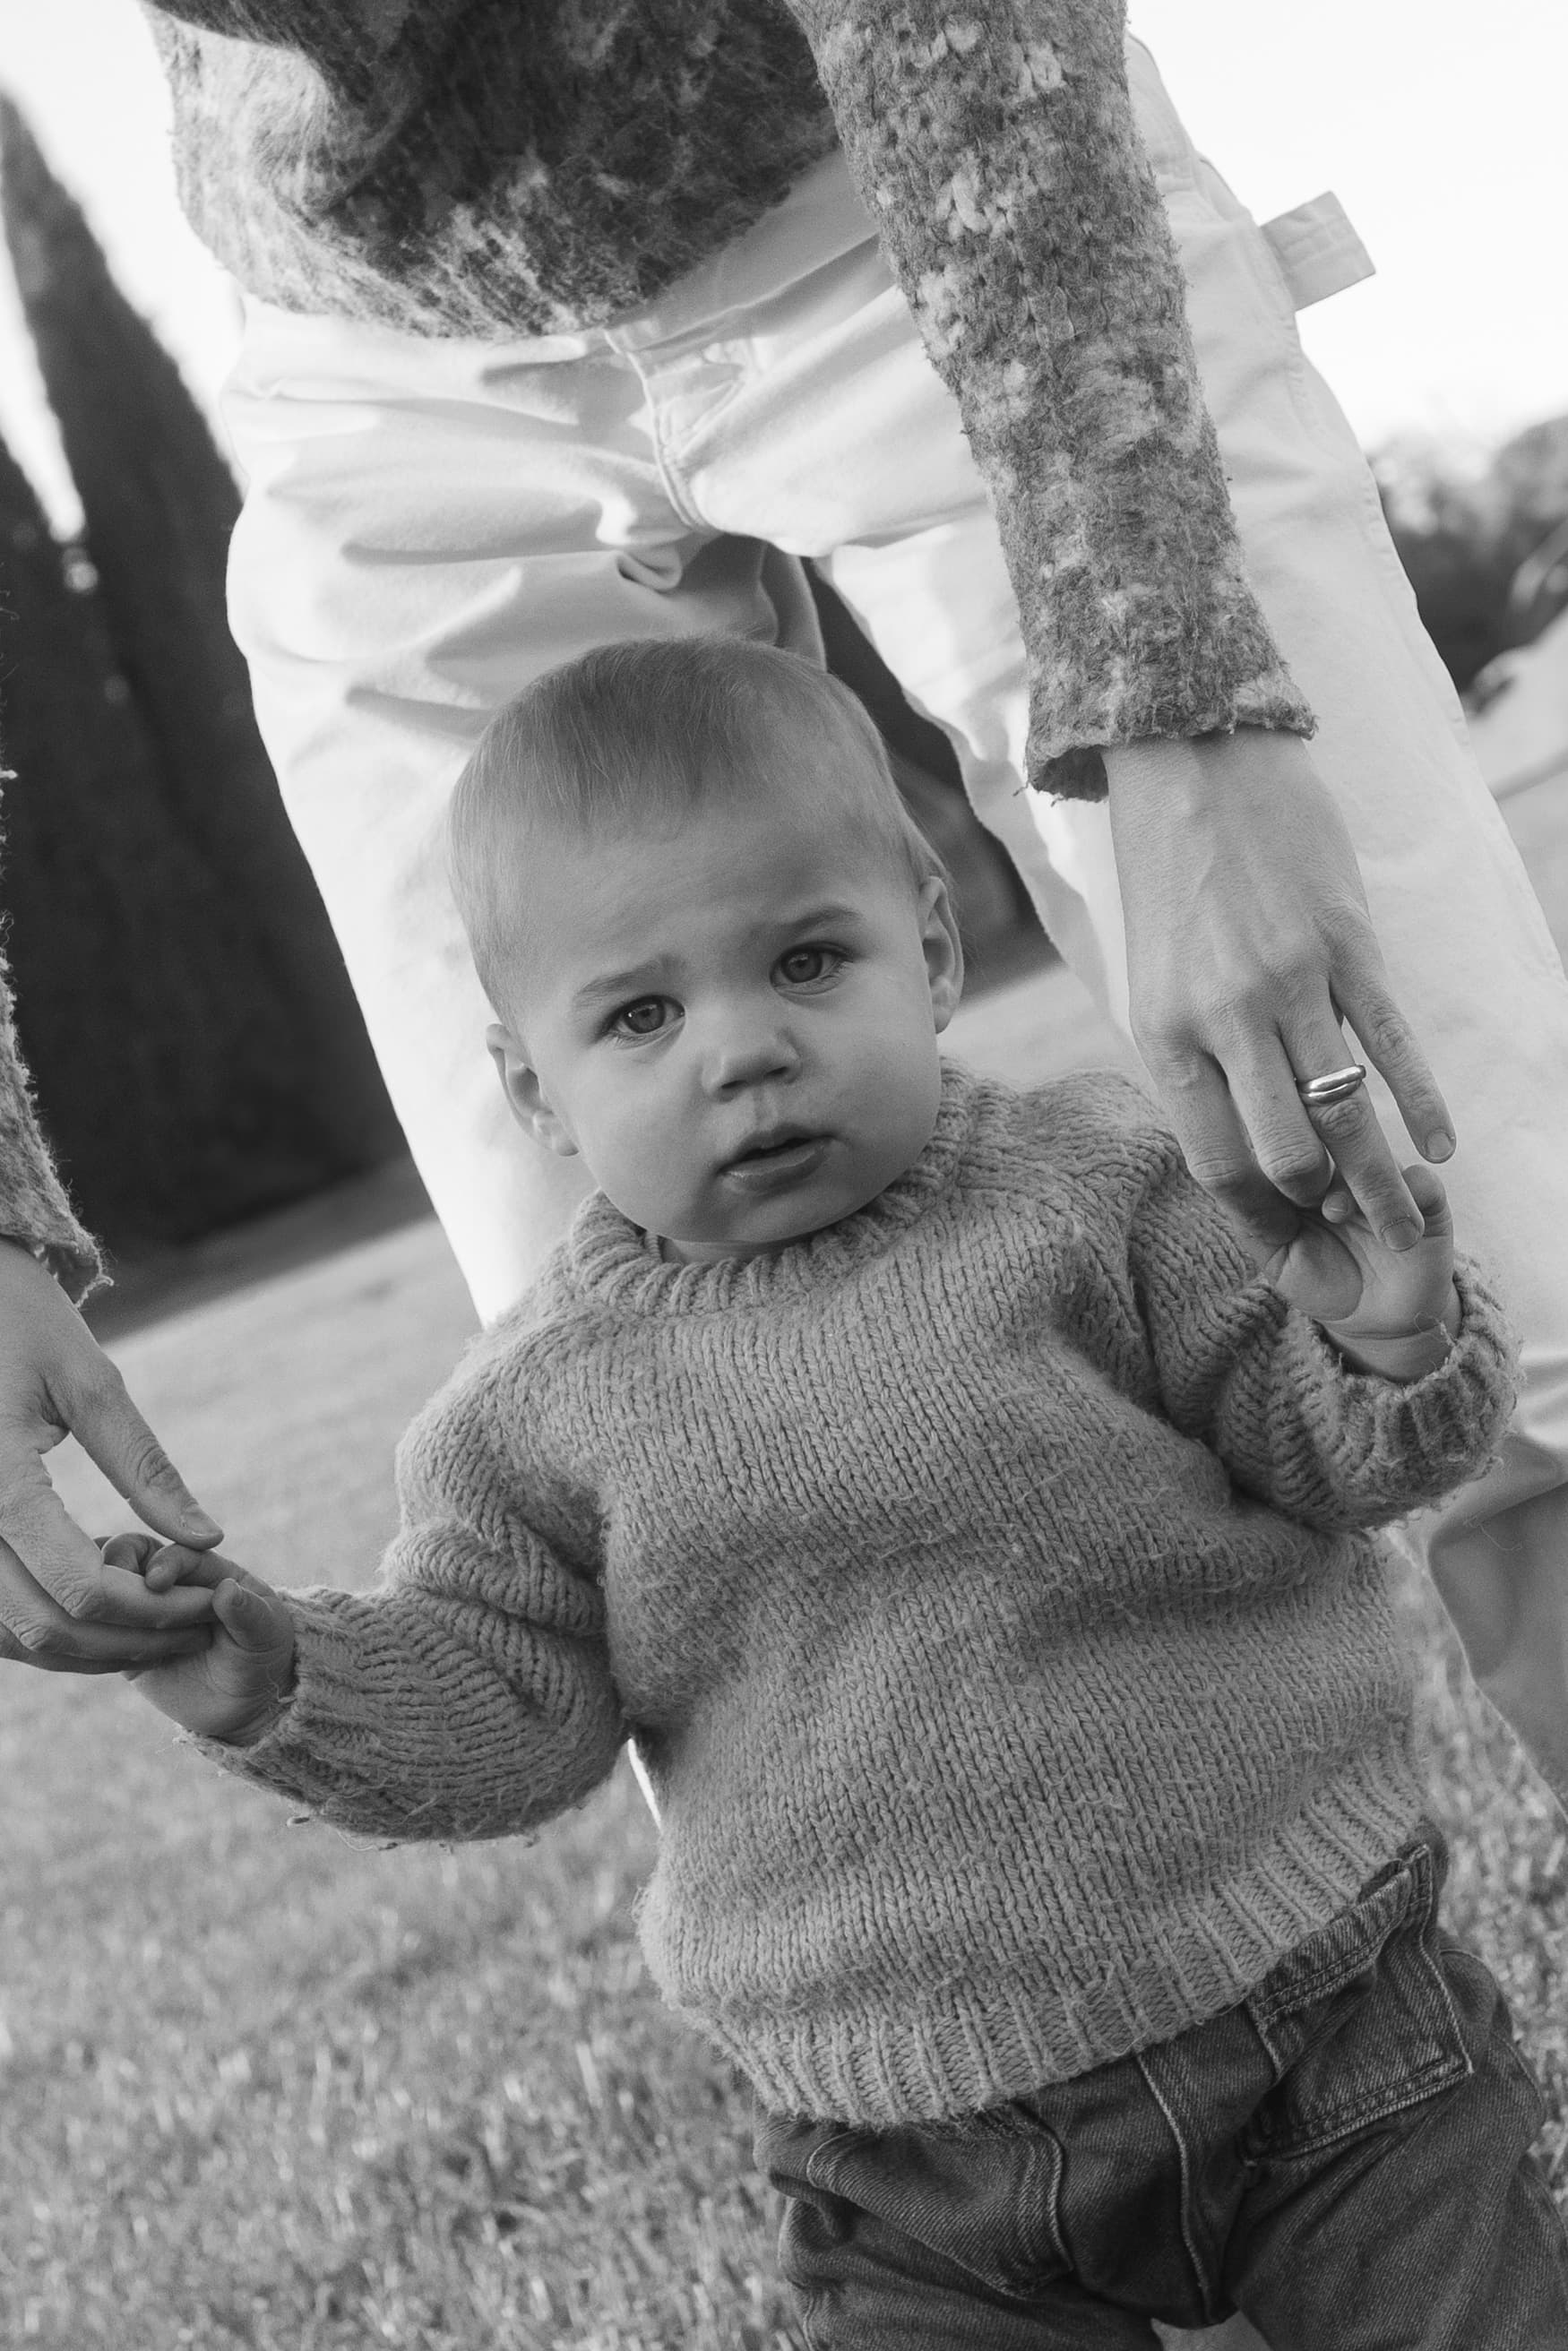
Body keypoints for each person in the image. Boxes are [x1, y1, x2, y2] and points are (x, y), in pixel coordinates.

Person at [2, 8, 1565, 1834]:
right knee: (647, 1466)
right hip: (374, 350)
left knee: (1458, 1212)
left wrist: (1178, 698)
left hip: (903, 158)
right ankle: (1018, 2086)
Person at [66, 639, 1566, 2347]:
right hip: (918, 2170)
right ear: (530, 1088)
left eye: (803, 960)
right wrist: (281, 1680)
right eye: (640, 1013)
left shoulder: (1096, 1194)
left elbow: (1322, 1460)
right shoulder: (532, 1421)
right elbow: (506, 1707)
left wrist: (1383, 1353)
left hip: (1325, 2023)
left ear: (926, 946)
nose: (741, 1052)